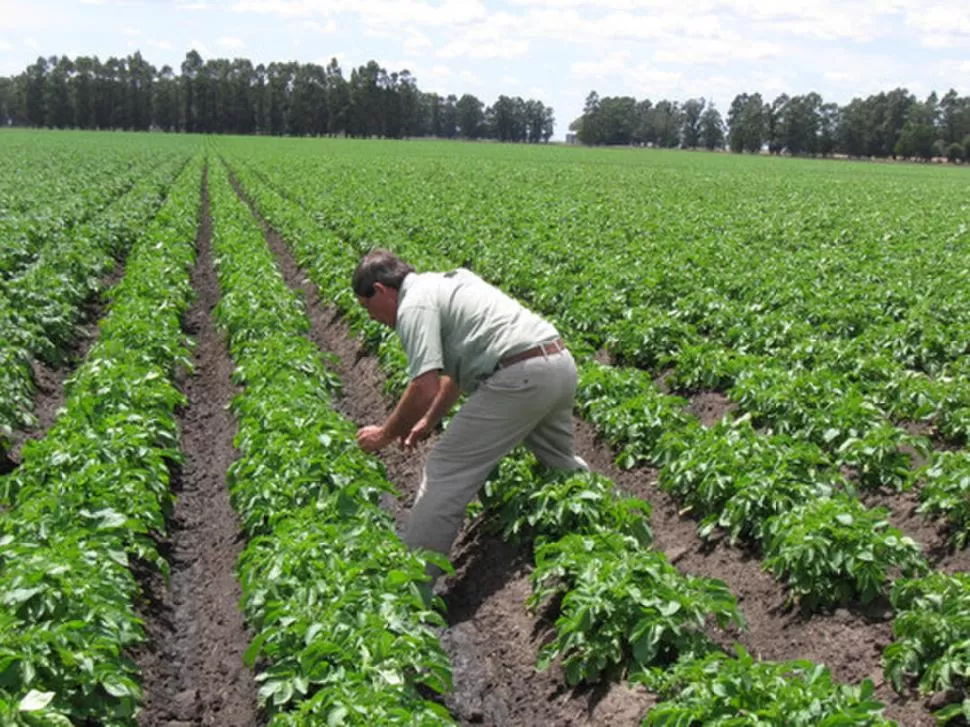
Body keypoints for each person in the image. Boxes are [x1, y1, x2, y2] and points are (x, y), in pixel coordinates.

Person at [353, 249, 588, 575]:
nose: (370, 316)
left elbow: (424, 387)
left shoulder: (414, 305)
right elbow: (455, 376)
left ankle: (411, 586)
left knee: (445, 471)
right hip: (557, 364)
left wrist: (384, 434)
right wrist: (429, 420)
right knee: (561, 464)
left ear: (380, 291)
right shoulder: (446, 282)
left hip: (519, 376)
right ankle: (605, 527)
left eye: (367, 306)